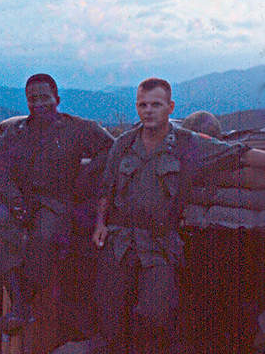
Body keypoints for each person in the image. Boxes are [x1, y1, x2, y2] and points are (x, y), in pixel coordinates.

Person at [91, 78, 265, 353]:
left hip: (160, 241)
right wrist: (100, 224)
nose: (148, 110)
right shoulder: (124, 143)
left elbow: (239, 154)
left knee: (154, 313)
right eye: (142, 105)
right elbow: (106, 187)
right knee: (109, 310)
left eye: (156, 104)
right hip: (120, 238)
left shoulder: (188, 144)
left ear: (170, 107)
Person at [0, 73, 114, 335]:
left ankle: (25, 303)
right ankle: (19, 301)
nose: (39, 104)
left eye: (45, 97)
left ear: (57, 98)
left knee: (43, 237)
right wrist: (13, 199)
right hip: (20, 200)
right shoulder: (16, 132)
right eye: (32, 99)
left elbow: (111, 149)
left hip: (58, 202)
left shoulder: (77, 127)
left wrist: (86, 176)